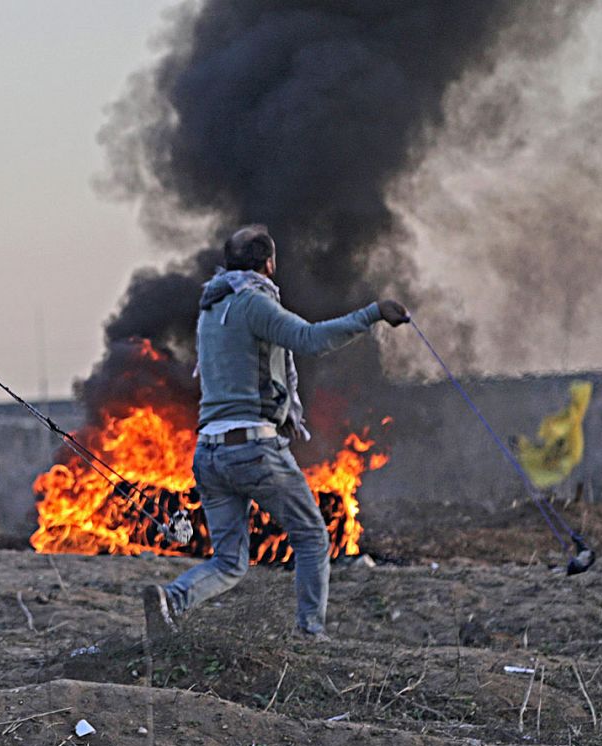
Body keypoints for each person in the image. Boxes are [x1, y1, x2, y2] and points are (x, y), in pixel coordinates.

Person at [141, 224, 408, 642]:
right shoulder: (251, 303)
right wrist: (373, 314)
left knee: (230, 562)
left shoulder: (212, 307)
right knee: (312, 537)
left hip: (209, 452)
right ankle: (310, 634)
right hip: (253, 450)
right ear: (268, 265)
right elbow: (308, 338)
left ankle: (172, 599)